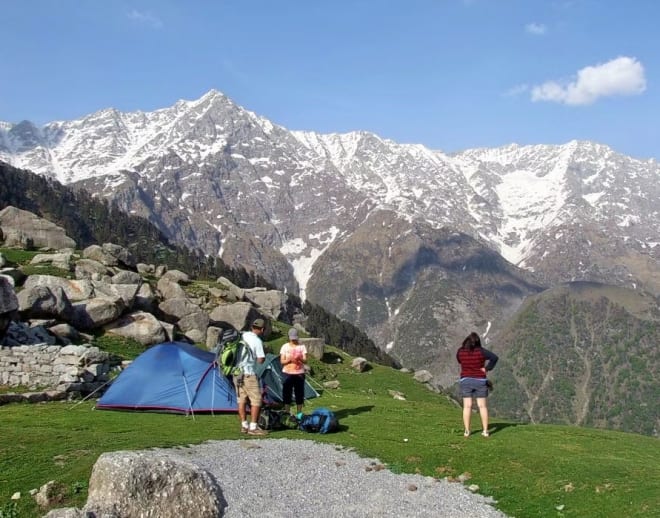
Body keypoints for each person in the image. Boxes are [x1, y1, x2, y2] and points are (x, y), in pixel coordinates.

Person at [456, 332, 498, 438]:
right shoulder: (481, 352)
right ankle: (485, 431)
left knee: (467, 406)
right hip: (480, 380)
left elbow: (459, 361)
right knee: (482, 406)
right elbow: (494, 358)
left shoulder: (460, 352)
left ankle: (467, 431)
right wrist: (486, 368)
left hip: (465, 380)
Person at [236, 318, 268, 436]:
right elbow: (260, 360)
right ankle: (253, 427)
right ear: (262, 329)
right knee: (256, 400)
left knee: (242, 399)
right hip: (249, 373)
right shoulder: (257, 341)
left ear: (252, 327)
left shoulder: (242, 336)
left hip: (237, 373)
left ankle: (244, 426)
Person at [280, 327, 308, 416]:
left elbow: (305, 360)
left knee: (299, 393)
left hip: (299, 373)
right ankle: (287, 413)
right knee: (286, 393)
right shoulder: (285, 346)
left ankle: (299, 414)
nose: (293, 340)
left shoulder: (302, 347)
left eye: (295, 338)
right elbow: (282, 361)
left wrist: (299, 358)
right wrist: (289, 360)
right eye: (292, 339)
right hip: (287, 373)